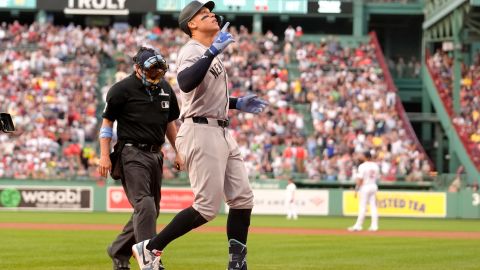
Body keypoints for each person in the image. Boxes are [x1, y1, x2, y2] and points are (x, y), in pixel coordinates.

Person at [131, 1, 268, 270]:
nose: (212, 15)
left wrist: (237, 102)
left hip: (220, 129)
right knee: (206, 207)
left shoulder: (208, 53)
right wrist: (213, 51)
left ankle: (237, 264)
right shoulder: (192, 50)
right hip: (200, 130)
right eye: (204, 14)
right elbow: (185, 82)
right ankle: (149, 248)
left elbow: (202, 96)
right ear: (191, 24)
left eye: (211, 12)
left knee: (242, 199)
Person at [97, 46, 181, 270]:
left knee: (151, 209)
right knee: (145, 205)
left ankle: (119, 250)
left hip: (156, 154)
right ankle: (150, 260)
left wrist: (178, 151)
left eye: (159, 70)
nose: (156, 75)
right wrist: (104, 156)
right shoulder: (121, 90)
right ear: (137, 68)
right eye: (152, 70)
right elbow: (107, 125)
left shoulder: (165, 88)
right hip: (131, 152)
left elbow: (170, 124)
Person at [348, 151, 379, 232]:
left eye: (362, 155)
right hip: (373, 185)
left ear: (365, 157)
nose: (360, 156)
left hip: (365, 186)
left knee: (362, 207)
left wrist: (356, 188)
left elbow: (360, 179)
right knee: (373, 207)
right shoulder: (375, 165)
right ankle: (374, 226)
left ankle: (358, 226)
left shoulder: (362, 166)